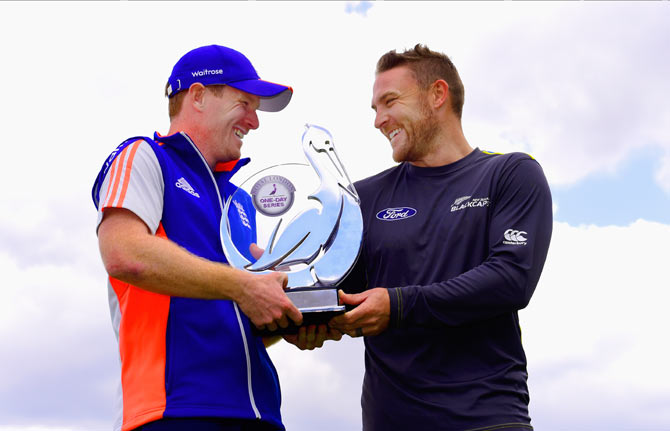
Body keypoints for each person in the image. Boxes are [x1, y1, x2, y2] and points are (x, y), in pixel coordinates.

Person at [330, 44, 553, 430]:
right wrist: (285, 282)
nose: (379, 120)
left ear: (437, 95)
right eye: (375, 108)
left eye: (390, 101)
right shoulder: (362, 197)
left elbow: (511, 279)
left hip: (485, 419)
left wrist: (398, 305)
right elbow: (340, 296)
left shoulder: (510, 174)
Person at [92, 44, 303, 431]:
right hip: (175, 410)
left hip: (260, 415)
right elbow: (123, 253)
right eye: (245, 104)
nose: (254, 122)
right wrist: (244, 286)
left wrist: (287, 319)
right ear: (199, 96)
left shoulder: (240, 200)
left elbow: (235, 317)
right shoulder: (143, 156)